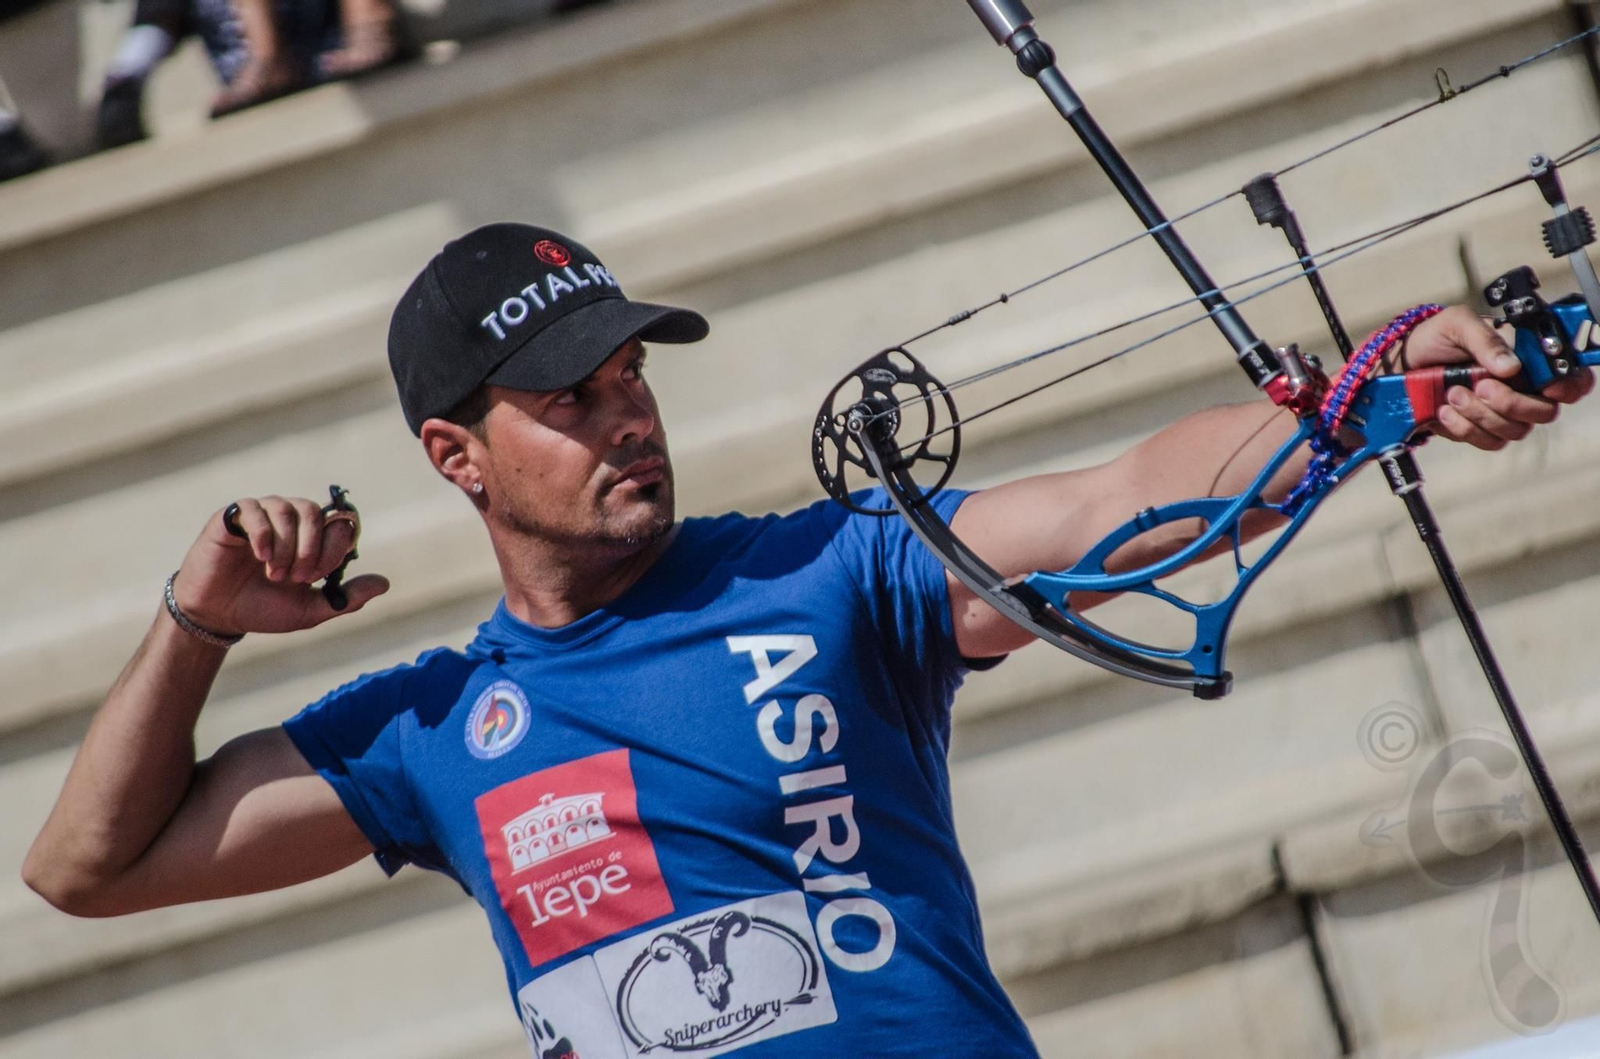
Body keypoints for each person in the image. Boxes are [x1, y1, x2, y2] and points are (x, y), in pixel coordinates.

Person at [22, 222, 1591, 1057]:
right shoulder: (433, 731)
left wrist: (1378, 395)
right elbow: (84, 867)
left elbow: (1124, 499)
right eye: (572, 399)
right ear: (458, 459)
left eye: (633, 375)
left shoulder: (830, 574)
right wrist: (195, 629)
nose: (626, 414)